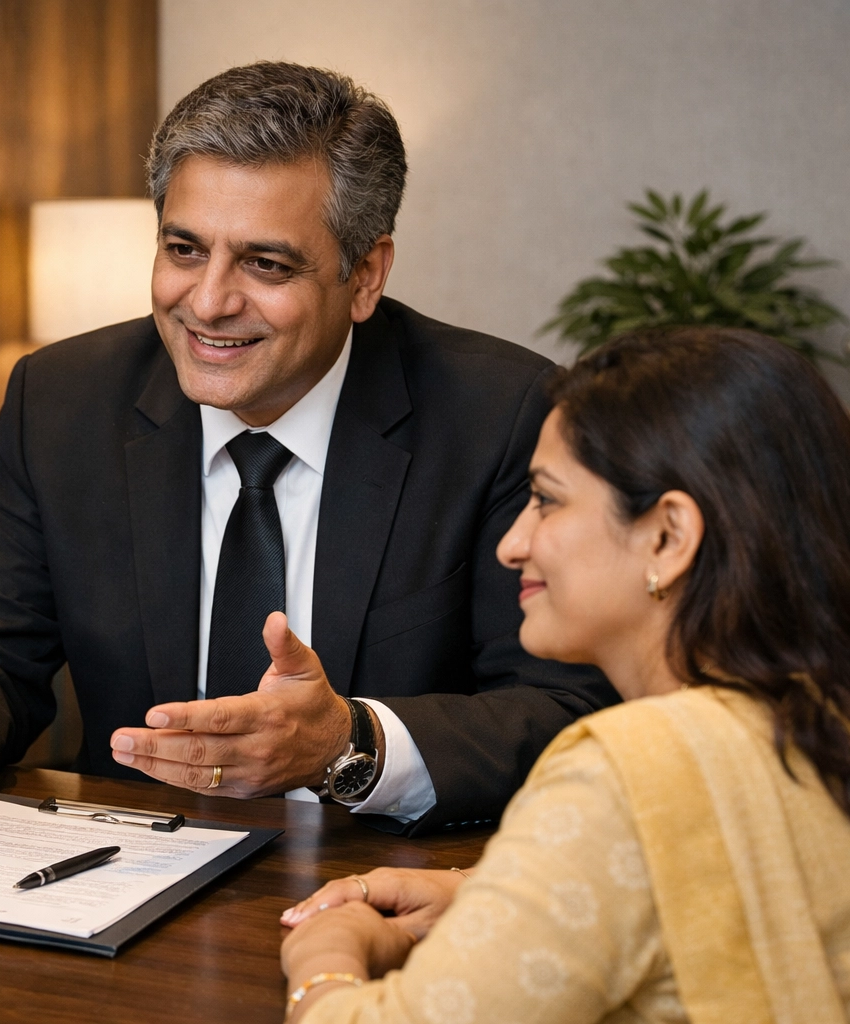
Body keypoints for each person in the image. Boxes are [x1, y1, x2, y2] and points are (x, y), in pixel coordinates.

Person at [0, 61, 614, 835]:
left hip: (382, 889)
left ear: (364, 277)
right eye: (183, 250)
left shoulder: (501, 413)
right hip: (120, 888)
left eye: (266, 263)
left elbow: (566, 709)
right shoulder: (65, 402)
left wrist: (349, 744)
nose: (209, 302)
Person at [277, 327, 850, 1022]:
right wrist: (492, 890)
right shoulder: (814, 715)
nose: (513, 545)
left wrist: (324, 956)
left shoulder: (624, 774)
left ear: (668, 537)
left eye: (546, 500)